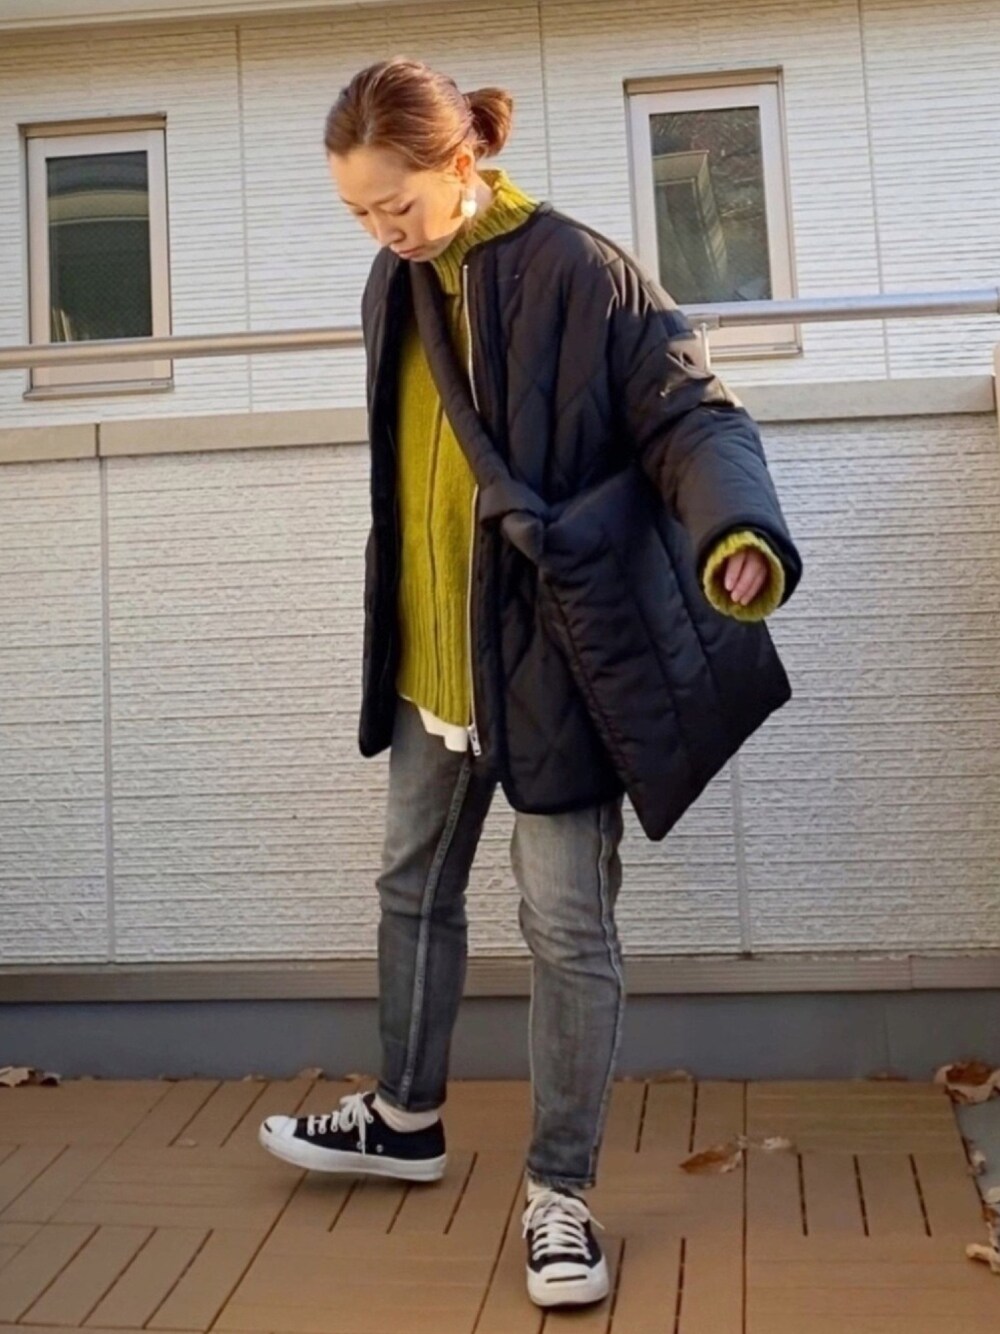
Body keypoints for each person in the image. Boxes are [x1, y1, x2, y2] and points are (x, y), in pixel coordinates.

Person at [259, 56, 801, 1309]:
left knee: (565, 926)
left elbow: (692, 413)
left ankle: (560, 1191)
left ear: (461, 162)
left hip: (548, 657)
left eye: (396, 203)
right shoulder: (391, 284)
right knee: (411, 885)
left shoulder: (579, 269)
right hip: (429, 660)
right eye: (358, 212)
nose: (382, 231)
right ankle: (404, 1114)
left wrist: (736, 529)